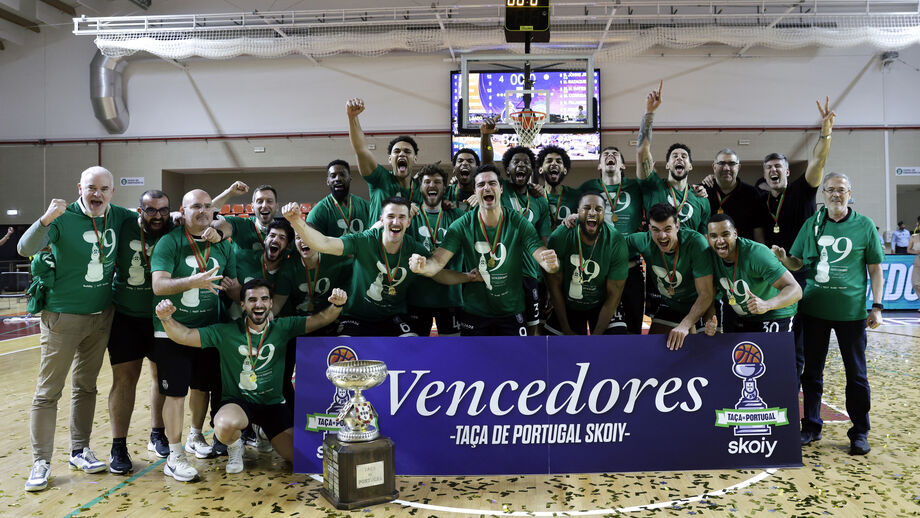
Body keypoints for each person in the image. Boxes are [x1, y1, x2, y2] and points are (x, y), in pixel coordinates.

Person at [17, 166, 137, 492]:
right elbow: (25, 249)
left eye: (104, 188)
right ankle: (41, 462)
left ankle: (79, 450)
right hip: (62, 317)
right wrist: (45, 218)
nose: (97, 193)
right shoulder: (63, 218)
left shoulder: (120, 216)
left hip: (101, 317)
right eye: (90, 187)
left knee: (86, 387)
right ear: (79, 188)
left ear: (112, 191)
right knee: (48, 392)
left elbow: (154, 220)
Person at [154, 279, 347, 474]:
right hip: (239, 404)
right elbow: (185, 335)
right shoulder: (226, 332)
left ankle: (263, 433)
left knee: (300, 458)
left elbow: (321, 319)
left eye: (264, 299)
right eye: (252, 299)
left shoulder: (284, 327)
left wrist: (337, 304)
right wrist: (166, 319)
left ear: (271, 303)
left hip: (272, 406)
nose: (259, 304)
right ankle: (235, 446)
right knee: (224, 426)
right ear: (243, 305)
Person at [772, 172, 884, 455]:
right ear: (823, 193)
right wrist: (785, 259)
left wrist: (878, 307)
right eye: (831, 189)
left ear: (850, 193)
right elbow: (797, 263)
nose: (836, 194)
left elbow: (875, 268)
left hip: (852, 314)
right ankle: (811, 426)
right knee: (811, 373)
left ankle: (860, 432)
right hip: (814, 310)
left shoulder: (865, 225)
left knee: (857, 376)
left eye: (842, 190)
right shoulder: (812, 224)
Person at [283, 197, 476, 337]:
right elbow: (323, 244)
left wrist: (468, 277)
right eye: (390, 216)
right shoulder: (364, 241)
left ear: (408, 222)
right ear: (381, 220)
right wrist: (296, 222)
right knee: (345, 348)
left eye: (402, 217)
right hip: (356, 316)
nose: (396, 221)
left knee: (413, 346)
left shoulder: (414, 248)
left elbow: (438, 273)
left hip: (393, 317)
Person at [409, 165, 560, 336]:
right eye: (481, 185)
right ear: (475, 190)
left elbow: (539, 252)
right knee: (473, 363)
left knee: (515, 361)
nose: (487, 187)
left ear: (501, 189)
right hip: (475, 312)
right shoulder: (462, 224)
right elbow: (437, 262)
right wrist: (423, 266)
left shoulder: (518, 221)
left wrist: (550, 264)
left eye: (492, 183)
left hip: (511, 310)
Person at [151, 189, 239, 482]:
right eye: (195, 207)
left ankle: (195, 435)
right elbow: (159, 286)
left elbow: (235, 287)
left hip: (208, 330)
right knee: (175, 393)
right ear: (183, 211)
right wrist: (194, 281)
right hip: (172, 330)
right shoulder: (170, 242)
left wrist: (236, 292)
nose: (202, 211)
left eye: (207, 206)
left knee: (202, 387)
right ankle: (175, 455)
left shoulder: (224, 244)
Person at [759, 97, 835, 377]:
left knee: (802, 334)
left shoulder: (803, 190)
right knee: (776, 328)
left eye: (779, 167)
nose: (774, 171)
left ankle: (799, 383)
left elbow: (819, 160)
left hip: (803, 272)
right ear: (765, 174)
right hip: (773, 275)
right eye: (769, 168)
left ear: (788, 172)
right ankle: (775, 377)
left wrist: (825, 132)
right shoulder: (762, 200)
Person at [107, 190, 173, 474]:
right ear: (140, 210)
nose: (157, 216)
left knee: (161, 378)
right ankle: (118, 445)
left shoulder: (175, 229)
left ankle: (157, 433)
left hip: (161, 319)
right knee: (124, 380)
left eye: (162, 210)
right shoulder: (123, 227)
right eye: (151, 210)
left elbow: (209, 213)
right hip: (126, 317)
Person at [626, 203, 715, 350]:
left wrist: (685, 325)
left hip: (704, 302)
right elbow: (610, 248)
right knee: (656, 350)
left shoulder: (696, 243)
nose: (662, 236)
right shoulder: (642, 240)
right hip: (672, 302)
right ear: (649, 228)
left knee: (709, 348)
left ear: (677, 226)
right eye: (655, 230)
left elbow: (706, 294)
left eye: (667, 229)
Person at [578, 146, 645, 334]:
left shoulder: (636, 187)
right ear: (599, 165)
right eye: (605, 155)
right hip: (601, 272)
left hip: (631, 270)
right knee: (605, 330)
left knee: (633, 330)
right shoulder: (587, 188)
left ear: (622, 165)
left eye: (615, 154)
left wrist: (700, 188)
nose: (610, 156)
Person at [546, 192, 628, 335]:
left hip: (601, 303)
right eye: (586, 208)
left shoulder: (616, 241)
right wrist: (566, 328)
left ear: (604, 214)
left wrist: (596, 335)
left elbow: (614, 294)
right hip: (569, 303)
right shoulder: (560, 236)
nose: (592, 212)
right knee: (557, 345)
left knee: (615, 341)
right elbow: (554, 286)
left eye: (598, 209)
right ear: (577, 212)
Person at [705, 214, 801, 333]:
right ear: (707, 238)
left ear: (735, 234)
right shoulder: (709, 256)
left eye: (725, 234)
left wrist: (767, 305)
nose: (720, 241)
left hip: (775, 314)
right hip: (743, 316)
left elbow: (796, 289)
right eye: (713, 236)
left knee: (769, 351)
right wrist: (710, 320)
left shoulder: (757, 254)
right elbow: (708, 294)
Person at [636, 82, 711, 234]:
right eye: (674, 156)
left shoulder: (701, 198)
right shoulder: (654, 187)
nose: (679, 159)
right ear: (668, 165)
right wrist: (649, 112)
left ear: (690, 166)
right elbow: (642, 151)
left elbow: (703, 237)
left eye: (684, 156)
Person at [407, 164, 467, 336]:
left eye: (437, 182)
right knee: (416, 355)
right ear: (420, 187)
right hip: (416, 298)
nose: (432, 185)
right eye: (426, 182)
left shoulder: (458, 217)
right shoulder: (411, 217)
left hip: (451, 299)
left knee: (453, 354)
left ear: (445, 188)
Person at [501, 147, 553, 334]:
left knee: (533, 330)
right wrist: (486, 137)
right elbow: (486, 165)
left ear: (532, 170)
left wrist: (547, 285)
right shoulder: (500, 190)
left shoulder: (539, 200)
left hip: (530, 274)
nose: (521, 165)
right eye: (516, 162)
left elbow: (544, 243)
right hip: (503, 273)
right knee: (506, 329)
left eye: (526, 163)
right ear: (507, 169)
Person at [347, 98, 421, 221]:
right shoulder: (380, 178)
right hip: (377, 240)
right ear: (389, 159)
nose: (402, 154)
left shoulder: (421, 187)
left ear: (415, 159)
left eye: (407, 151)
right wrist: (352, 117)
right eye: (397, 151)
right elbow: (361, 149)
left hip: (407, 240)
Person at [702, 148, 765, 242]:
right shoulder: (702, 191)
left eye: (731, 163)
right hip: (709, 253)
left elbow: (758, 231)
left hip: (742, 253)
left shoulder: (752, 193)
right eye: (721, 163)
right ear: (714, 167)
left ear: (738, 167)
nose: (726, 168)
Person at [306, 159, 371, 237]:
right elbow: (313, 244)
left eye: (342, 175)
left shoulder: (366, 207)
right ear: (328, 181)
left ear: (350, 178)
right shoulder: (318, 212)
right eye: (333, 176)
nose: (338, 179)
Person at [213, 183, 282, 252]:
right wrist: (229, 192)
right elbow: (209, 216)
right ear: (252, 207)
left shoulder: (285, 232)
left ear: (277, 207)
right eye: (259, 201)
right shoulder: (240, 225)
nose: (264, 205)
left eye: (269, 201)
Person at [538, 145, 580, 229]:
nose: (554, 163)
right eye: (549, 161)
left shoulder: (577, 196)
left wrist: (579, 216)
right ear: (541, 169)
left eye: (558, 161)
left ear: (565, 170)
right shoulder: (534, 196)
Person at [908, 232, 920, 313]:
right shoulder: (913, 237)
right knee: (915, 283)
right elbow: (908, 250)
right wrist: (916, 252)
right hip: (918, 260)